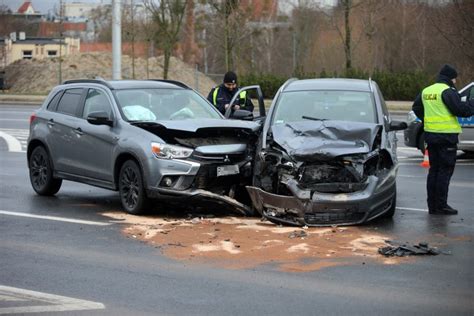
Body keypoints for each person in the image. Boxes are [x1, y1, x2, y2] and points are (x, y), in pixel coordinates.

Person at [412, 64, 474, 215]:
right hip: (447, 137)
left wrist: (427, 120)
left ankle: (432, 206)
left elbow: (416, 107)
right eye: (455, 79)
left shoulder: (427, 91)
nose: (455, 82)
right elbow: (462, 110)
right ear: (451, 78)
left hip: (431, 136)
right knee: (444, 172)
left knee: (434, 171)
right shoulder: (447, 91)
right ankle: (441, 205)